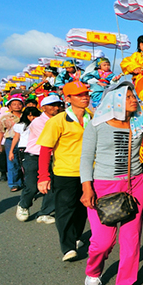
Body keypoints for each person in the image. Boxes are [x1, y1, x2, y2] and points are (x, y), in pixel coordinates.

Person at [80, 81, 143, 285]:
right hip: (103, 187)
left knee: (131, 240)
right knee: (103, 242)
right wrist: (87, 187)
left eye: (134, 96)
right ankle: (94, 270)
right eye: (128, 96)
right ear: (115, 100)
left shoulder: (140, 122)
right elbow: (86, 158)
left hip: (135, 185)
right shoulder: (97, 125)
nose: (135, 99)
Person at [37, 81, 91, 262]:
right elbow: (45, 150)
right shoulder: (57, 121)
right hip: (65, 172)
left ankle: (75, 236)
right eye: (79, 95)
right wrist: (43, 176)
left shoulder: (93, 117)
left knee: (83, 208)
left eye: (86, 93)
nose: (84, 97)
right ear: (67, 99)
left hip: (90, 172)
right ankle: (68, 247)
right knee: (65, 209)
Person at [23, 94, 62, 224]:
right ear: (43, 108)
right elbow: (52, 140)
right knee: (33, 186)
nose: (56, 108)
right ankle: (24, 205)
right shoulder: (38, 122)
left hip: (53, 157)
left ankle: (45, 213)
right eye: (52, 105)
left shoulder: (61, 119)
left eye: (58, 105)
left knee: (51, 185)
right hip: (34, 157)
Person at [10, 106, 41, 220]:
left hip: (41, 150)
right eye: (29, 115)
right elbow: (16, 137)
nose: (32, 117)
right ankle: (26, 199)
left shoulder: (42, 123)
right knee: (28, 173)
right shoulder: (21, 125)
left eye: (34, 115)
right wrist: (11, 151)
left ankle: (45, 211)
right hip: (25, 150)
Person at [0, 95, 24, 192]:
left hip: (25, 141)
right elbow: (0, 131)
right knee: (12, 162)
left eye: (19, 104)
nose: (17, 106)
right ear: (9, 107)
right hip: (10, 141)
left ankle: (24, 182)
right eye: (14, 104)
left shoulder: (27, 115)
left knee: (24, 162)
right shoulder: (5, 117)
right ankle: (14, 183)